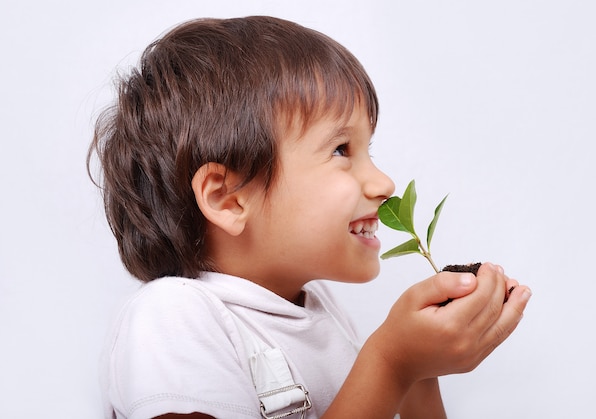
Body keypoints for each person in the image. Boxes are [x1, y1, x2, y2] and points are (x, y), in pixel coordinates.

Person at [89, 16, 532, 419]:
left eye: (368, 150)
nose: (384, 183)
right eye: (342, 150)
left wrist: (420, 370)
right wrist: (392, 364)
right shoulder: (172, 317)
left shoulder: (325, 317)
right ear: (229, 198)